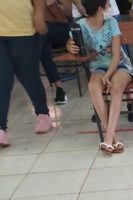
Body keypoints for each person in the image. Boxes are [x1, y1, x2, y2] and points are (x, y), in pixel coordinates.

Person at [67, 0, 133, 153]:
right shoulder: (80, 25)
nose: (110, 6)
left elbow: (117, 55)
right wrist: (69, 46)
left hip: (120, 65)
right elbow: (70, 42)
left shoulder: (111, 23)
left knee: (116, 87)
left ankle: (108, 138)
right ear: (100, 9)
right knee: (93, 86)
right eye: (107, 4)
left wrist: (108, 75)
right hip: (98, 67)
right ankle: (113, 137)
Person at [0, 0, 53, 147]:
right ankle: (1, 127)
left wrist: (39, 15)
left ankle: (43, 114)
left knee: (29, 76)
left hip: (23, 29)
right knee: (3, 80)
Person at [41, 0, 72, 105]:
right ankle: (59, 88)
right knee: (42, 44)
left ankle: (59, 88)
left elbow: (70, 13)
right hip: (43, 34)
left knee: (41, 37)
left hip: (63, 29)